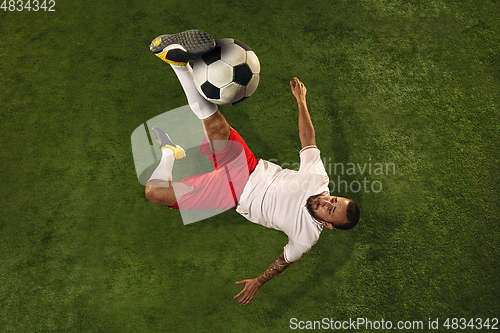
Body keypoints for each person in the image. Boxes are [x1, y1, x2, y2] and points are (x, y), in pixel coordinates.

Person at [144, 30, 360, 305]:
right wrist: (301, 101)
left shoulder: (306, 237)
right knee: (214, 121)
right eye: (335, 199)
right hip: (248, 165)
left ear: (328, 225)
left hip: (232, 194)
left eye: (330, 209)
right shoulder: (318, 179)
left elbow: (284, 260)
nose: (327, 201)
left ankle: (169, 154)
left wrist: (259, 281)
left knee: (154, 192)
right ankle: (177, 63)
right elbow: (309, 140)